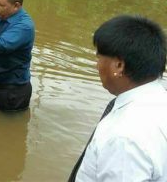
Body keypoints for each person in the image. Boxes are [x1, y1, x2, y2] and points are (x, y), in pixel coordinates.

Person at [69, 15, 167, 182]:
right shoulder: (159, 101)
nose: (97, 65)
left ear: (119, 65)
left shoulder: (124, 137)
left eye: (99, 58)